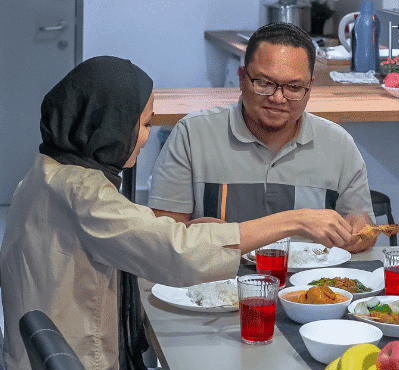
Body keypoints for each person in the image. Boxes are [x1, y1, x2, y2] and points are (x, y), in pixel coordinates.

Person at [0, 56, 356, 370]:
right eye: (145, 124)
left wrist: (171, 226)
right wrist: (293, 220)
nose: (146, 138)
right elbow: (177, 252)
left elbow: (115, 234)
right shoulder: (83, 193)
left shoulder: (48, 171)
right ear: (110, 123)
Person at [148, 22, 377, 253]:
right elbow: (164, 240)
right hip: (216, 284)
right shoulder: (192, 135)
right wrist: (296, 222)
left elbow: (362, 225)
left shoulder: (339, 144)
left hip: (307, 285)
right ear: (241, 78)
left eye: (294, 87)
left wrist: (361, 234)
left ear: (310, 87)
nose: (278, 98)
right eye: (264, 83)